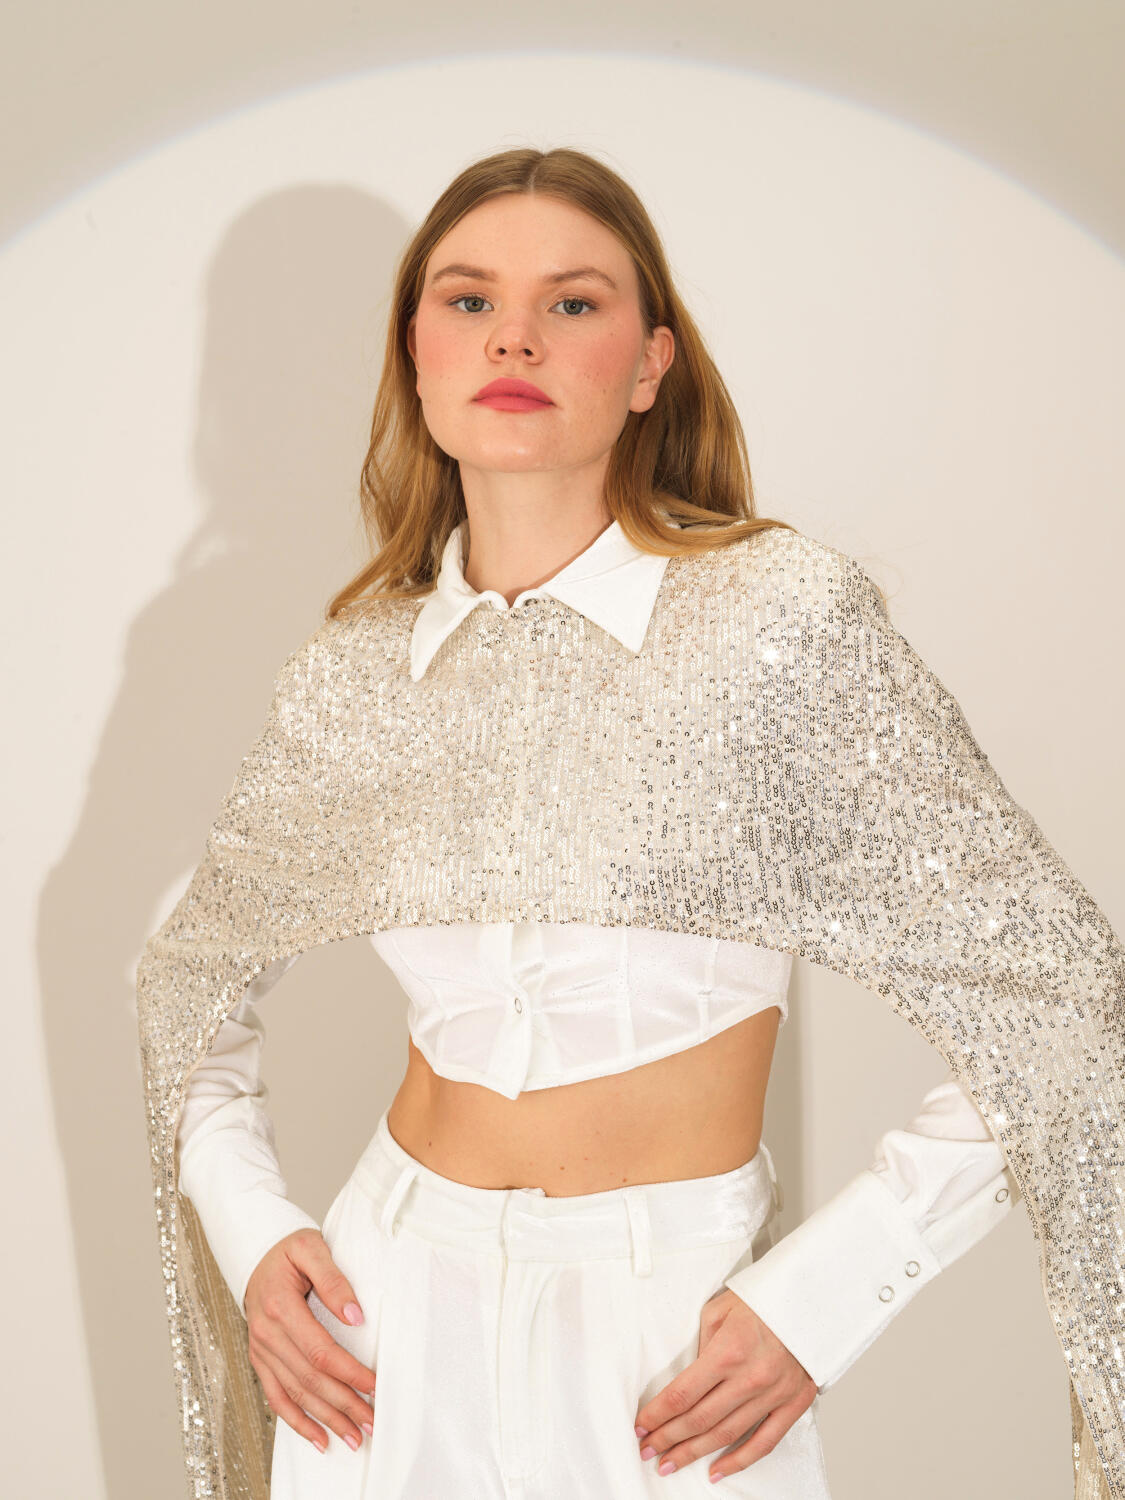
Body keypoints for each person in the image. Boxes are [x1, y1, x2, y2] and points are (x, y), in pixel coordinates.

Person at [137, 146, 1123, 1500]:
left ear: (651, 362)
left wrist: (826, 1296)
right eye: (469, 301)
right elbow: (184, 987)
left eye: (574, 302)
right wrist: (254, 1239)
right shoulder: (354, 674)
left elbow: (1057, 993)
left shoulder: (779, 620)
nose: (516, 339)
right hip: (382, 1328)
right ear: (417, 355)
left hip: (668, 1345)